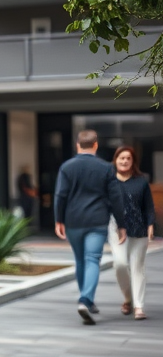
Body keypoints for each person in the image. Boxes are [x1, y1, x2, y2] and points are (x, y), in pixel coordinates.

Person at [54, 129, 127, 325]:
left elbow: (60, 195)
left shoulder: (67, 167)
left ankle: (86, 300)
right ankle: (86, 300)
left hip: (73, 221)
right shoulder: (106, 168)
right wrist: (121, 225)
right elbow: (116, 199)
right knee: (93, 259)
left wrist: (58, 219)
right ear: (95, 145)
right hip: (97, 221)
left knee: (80, 261)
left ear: (78, 145)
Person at [108, 145, 155, 320]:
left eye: (128, 158)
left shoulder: (141, 181)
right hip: (116, 229)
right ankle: (127, 297)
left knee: (137, 267)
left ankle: (139, 306)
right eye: (122, 158)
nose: (125, 161)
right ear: (116, 160)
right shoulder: (110, 181)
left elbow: (148, 206)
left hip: (139, 229)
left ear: (133, 161)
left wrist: (150, 225)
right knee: (120, 264)